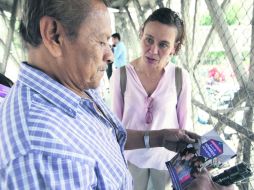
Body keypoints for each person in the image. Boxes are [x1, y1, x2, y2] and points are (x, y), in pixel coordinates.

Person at [0, 1, 233, 189]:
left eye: (109, 42)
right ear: (54, 35)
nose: (110, 56)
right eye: (101, 41)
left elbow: (111, 134)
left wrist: (158, 138)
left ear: (174, 48)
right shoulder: (44, 157)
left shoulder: (77, 86)